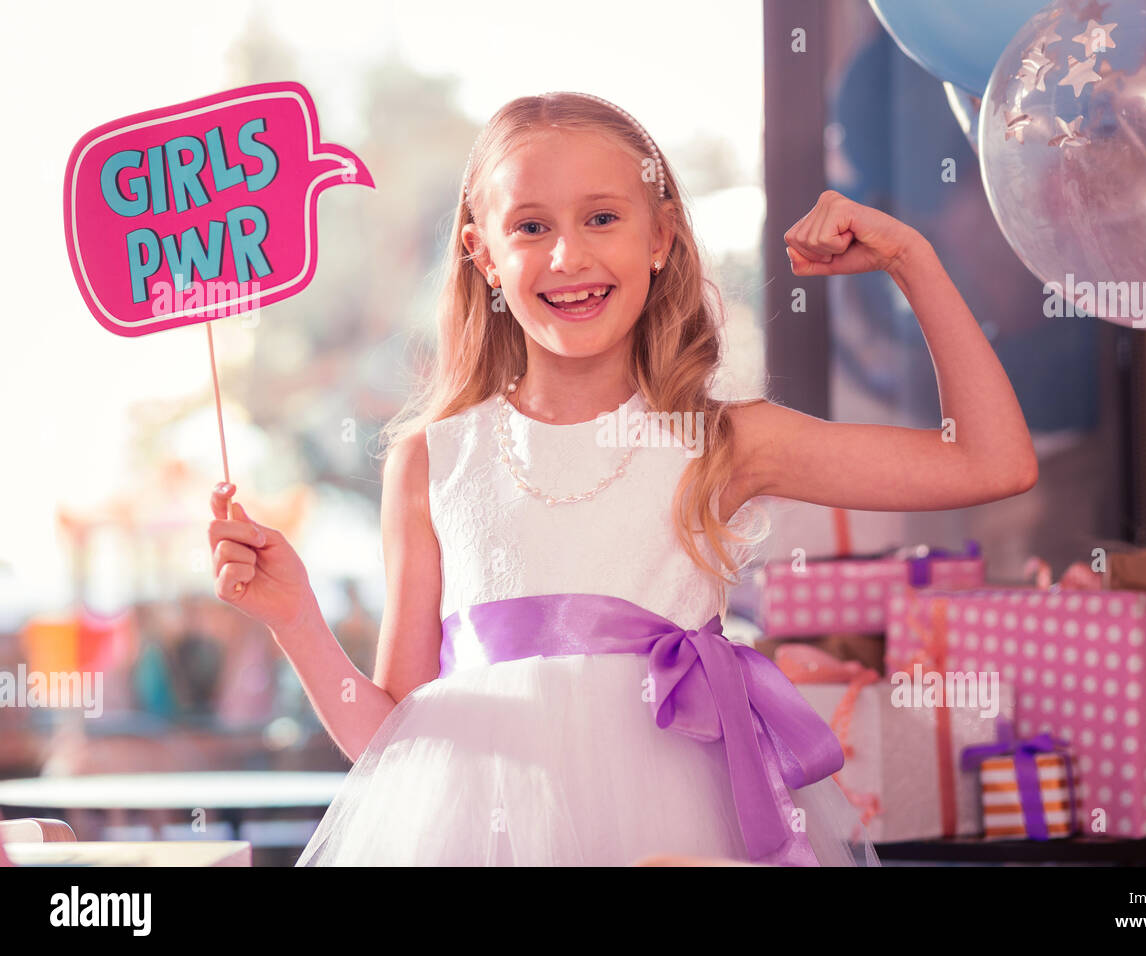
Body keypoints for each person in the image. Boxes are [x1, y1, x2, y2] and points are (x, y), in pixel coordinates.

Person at [206, 91, 1036, 865]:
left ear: (660, 237)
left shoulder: (723, 441)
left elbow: (991, 461)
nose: (569, 256)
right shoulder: (434, 460)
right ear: (483, 254)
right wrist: (295, 619)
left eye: (602, 217)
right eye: (529, 227)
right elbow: (392, 745)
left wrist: (911, 261)